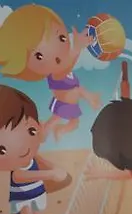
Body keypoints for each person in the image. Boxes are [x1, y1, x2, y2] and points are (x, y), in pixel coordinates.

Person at [0, 4, 101, 142]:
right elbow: (67, 69)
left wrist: (89, 96)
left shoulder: (61, 70)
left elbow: (70, 73)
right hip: (65, 102)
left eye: (62, 38)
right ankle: (47, 132)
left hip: (68, 103)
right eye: (39, 56)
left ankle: (54, 130)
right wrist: (77, 48)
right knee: (61, 120)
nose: (56, 55)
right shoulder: (56, 74)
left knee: (69, 122)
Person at [0, 85, 67, 214]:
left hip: (37, 192)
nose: (23, 148)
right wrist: (49, 174)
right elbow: (18, 177)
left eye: (31, 131)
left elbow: (42, 161)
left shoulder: (34, 156)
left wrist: (54, 169)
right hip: (22, 196)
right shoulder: (18, 169)